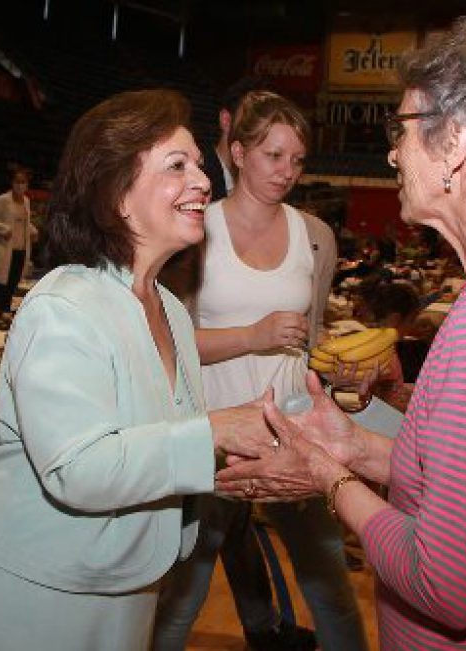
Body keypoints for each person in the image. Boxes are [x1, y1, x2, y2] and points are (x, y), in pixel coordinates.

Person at [217, 15, 466, 649]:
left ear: (456, 144)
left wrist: (329, 477)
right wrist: (357, 449)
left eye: (401, 129)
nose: (392, 152)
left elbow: (445, 584)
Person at [0, 89, 281, 651]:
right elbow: (79, 466)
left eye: (199, 163)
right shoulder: (63, 306)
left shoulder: (171, 312)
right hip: (30, 588)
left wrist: (237, 466)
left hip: (126, 582)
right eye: (177, 165)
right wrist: (214, 431)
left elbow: (150, 444)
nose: (204, 181)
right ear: (116, 194)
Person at [155, 91, 367, 651]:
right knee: (184, 591)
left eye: (297, 160)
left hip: (296, 436)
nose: (287, 172)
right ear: (240, 152)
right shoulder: (195, 232)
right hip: (218, 436)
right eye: (274, 156)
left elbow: (310, 339)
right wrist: (253, 336)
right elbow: (165, 345)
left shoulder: (315, 236)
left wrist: (344, 370)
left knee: (332, 590)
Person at [0, 169, 37, 327]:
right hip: (5, 248)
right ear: (12, 183)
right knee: (0, 283)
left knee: (13, 283)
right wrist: (4, 229)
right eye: (17, 181)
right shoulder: (3, 200)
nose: (20, 185)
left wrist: (33, 231)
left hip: (20, 248)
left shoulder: (26, 201)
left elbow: (25, 223)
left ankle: (5, 313)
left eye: (23, 182)